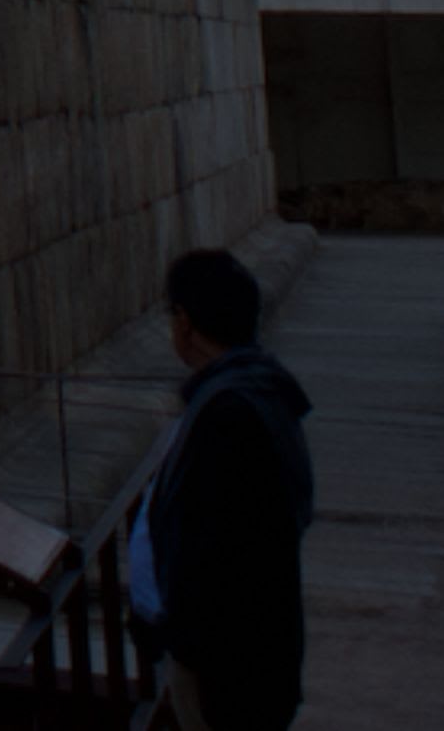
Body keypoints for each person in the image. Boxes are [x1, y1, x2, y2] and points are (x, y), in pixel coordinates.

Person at [128, 248, 317, 731]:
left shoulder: (229, 414)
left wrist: (176, 638)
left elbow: (213, 551)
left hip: (228, 666)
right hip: (253, 653)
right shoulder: (257, 393)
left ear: (185, 322)